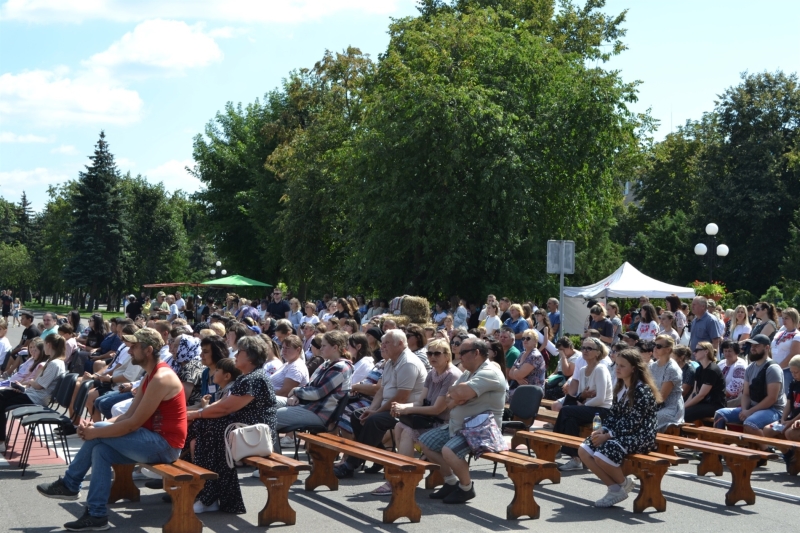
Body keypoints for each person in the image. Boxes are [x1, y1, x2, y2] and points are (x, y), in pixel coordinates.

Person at [36, 328, 187, 531]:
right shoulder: (151, 375)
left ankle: (71, 484)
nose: (129, 350)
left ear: (148, 350)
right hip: (152, 441)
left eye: (133, 347)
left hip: (165, 446)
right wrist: (94, 427)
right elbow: (126, 416)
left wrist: (96, 431)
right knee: (101, 450)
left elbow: (133, 424)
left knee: (98, 436)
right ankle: (96, 514)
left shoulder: (161, 378)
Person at [184, 335, 278, 514]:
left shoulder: (254, 379)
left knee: (207, 428)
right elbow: (222, 406)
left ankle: (208, 495)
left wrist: (197, 414)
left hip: (255, 433)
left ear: (250, 356)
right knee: (201, 427)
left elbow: (226, 408)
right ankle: (193, 484)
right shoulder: (246, 377)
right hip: (242, 427)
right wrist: (197, 415)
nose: (235, 354)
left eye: (240, 352)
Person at [369, 339, 463, 495]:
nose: (432, 356)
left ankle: (403, 478)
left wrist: (406, 410)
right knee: (399, 426)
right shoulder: (432, 373)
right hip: (431, 421)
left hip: (447, 424)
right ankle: (404, 473)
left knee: (407, 431)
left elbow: (437, 409)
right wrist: (401, 407)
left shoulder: (451, 375)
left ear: (447, 356)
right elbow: (419, 402)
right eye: (429, 353)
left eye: (437, 353)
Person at [419, 338, 507, 504]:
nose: (457, 356)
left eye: (462, 353)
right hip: (459, 426)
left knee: (448, 450)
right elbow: (449, 400)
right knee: (425, 442)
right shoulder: (468, 373)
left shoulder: (489, 373)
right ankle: (451, 481)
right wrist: (457, 394)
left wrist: (457, 394)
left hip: (481, 430)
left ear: (476, 353)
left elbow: (457, 395)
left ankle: (466, 488)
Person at [334, 329, 426, 478]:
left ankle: (351, 464)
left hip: (408, 411)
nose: (382, 346)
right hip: (390, 408)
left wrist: (376, 412)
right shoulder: (390, 362)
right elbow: (382, 390)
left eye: (387, 343)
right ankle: (380, 458)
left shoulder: (408, 363)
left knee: (373, 420)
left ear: (401, 343)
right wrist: (371, 408)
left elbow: (401, 397)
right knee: (358, 415)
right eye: (382, 343)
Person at [578, 349, 661, 507]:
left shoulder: (642, 391)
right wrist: (602, 429)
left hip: (641, 436)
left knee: (603, 452)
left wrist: (608, 435)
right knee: (584, 449)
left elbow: (633, 422)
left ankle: (623, 483)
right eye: (617, 364)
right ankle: (615, 488)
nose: (617, 368)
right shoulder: (620, 387)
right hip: (620, 434)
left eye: (622, 366)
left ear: (634, 369)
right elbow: (613, 415)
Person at [555, 337, 613, 471]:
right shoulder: (582, 370)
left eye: (589, 348)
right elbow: (581, 395)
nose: (585, 351)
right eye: (583, 348)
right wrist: (583, 398)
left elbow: (600, 398)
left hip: (602, 410)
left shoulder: (601, 369)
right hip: (588, 408)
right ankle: (576, 459)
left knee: (566, 410)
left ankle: (556, 445)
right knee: (570, 418)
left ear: (597, 352)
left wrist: (584, 404)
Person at [714, 334, 786, 438]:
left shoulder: (773, 368)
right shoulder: (750, 368)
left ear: (767, 348)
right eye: (751, 345)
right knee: (719, 414)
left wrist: (749, 412)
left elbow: (772, 399)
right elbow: (746, 394)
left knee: (750, 423)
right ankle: (720, 448)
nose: (752, 348)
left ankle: (767, 450)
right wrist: (744, 410)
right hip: (753, 407)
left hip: (773, 410)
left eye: (756, 346)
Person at [0, 333, 67, 441]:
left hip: (36, 397)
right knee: (2, 395)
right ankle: (2, 438)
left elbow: (39, 386)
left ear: (48, 345)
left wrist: (30, 382)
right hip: (31, 393)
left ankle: (1, 440)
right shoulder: (54, 361)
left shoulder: (55, 363)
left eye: (44, 344)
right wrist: (24, 387)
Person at [683, 341, 726, 423]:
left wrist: (684, 407)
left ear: (706, 352)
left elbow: (701, 395)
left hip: (715, 405)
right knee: (681, 412)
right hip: (703, 404)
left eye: (697, 350)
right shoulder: (699, 369)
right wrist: (683, 406)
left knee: (684, 414)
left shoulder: (712, 370)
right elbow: (694, 393)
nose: (694, 352)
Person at [649, 335, 684, 431]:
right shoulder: (652, 366)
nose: (655, 348)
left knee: (648, 420)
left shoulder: (672, 369)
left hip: (671, 409)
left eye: (658, 346)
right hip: (655, 406)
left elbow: (661, 398)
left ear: (668, 350)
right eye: (654, 345)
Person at [763, 354, 800, 442]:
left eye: (796, 372)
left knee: (789, 432)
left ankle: (795, 455)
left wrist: (791, 422)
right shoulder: (793, 383)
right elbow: (789, 403)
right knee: (767, 430)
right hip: (792, 418)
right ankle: (787, 453)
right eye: (792, 372)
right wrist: (783, 419)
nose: (794, 375)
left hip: (797, 420)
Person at [507, 329, 545, 400]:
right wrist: (518, 378)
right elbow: (510, 373)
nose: (525, 340)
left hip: (532, 390)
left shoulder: (535, 356)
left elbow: (518, 374)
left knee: (503, 397)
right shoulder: (522, 354)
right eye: (523, 338)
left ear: (535, 341)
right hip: (520, 388)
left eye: (528, 338)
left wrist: (516, 372)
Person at [272, 334, 310, 402]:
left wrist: (263, 395)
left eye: (287, 348)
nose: (283, 351)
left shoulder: (296, 367)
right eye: (283, 347)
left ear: (298, 350)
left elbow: (285, 393)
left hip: (284, 402)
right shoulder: (287, 364)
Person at [771, 308, 800, 395]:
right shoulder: (780, 333)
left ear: (794, 319)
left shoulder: (797, 336)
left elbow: (793, 354)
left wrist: (778, 367)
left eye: (786, 318)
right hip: (775, 368)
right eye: (782, 318)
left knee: (786, 395)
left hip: (787, 370)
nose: (783, 320)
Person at [1, 309, 40, 374]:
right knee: (9, 354)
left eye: (23, 318)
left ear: (29, 319)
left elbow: (25, 346)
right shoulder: (26, 330)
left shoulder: (32, 330)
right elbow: (20, 344)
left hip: (30, 351)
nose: (21, 320)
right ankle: (5, 372)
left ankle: (5, 373)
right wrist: (13, 350)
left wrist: (13, 352)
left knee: (11, 356)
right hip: (23, 349)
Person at [718, 340, 747, 407]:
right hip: (718, 397)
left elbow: (734, 390)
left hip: (733, 401)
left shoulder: (740, 366)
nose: (727, 353)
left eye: (730, 351)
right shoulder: (721, 363)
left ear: (736, 352)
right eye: (725, 351)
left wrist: (714, 394)